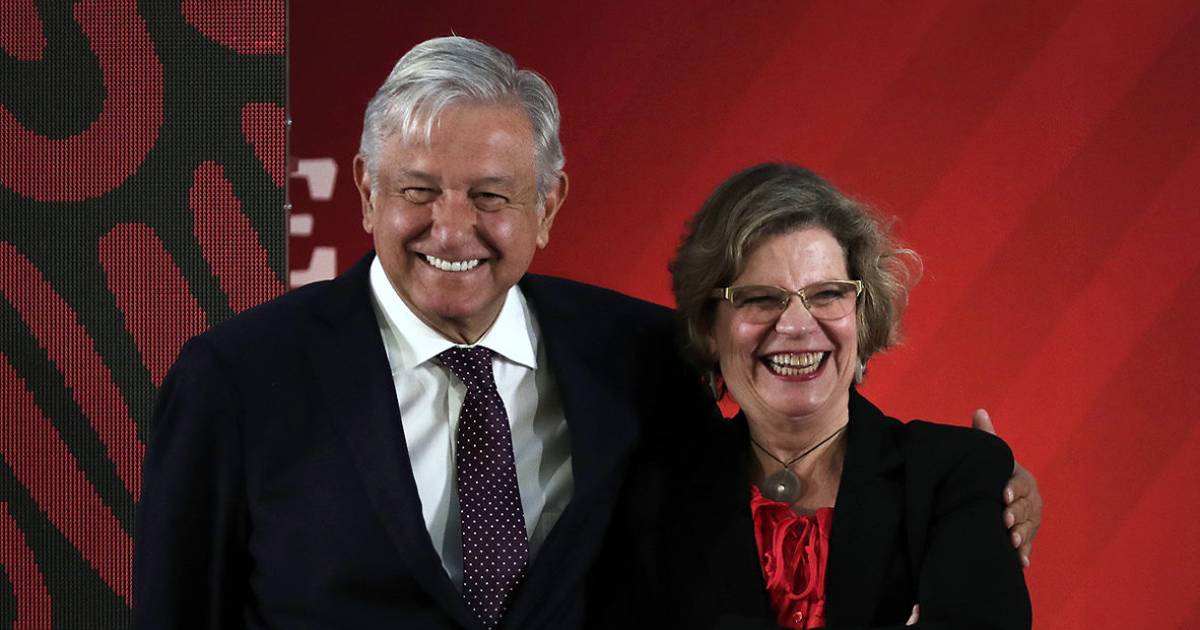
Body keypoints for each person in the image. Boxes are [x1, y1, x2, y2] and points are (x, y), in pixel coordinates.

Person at [132, 38, 1038, 629]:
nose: (453, 228)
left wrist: (973, 502)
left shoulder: (640, 356)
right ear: (366, 190)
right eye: (418, 191)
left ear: (549, 204)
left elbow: (751, 514)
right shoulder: (237, 380)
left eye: (491, 195)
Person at [595, 163, 1032, 628]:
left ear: (861, 314)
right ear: (707, 328)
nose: (797, 325)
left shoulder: (957, 472)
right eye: (759, 298)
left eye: (827, 294)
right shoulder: (653, 498)